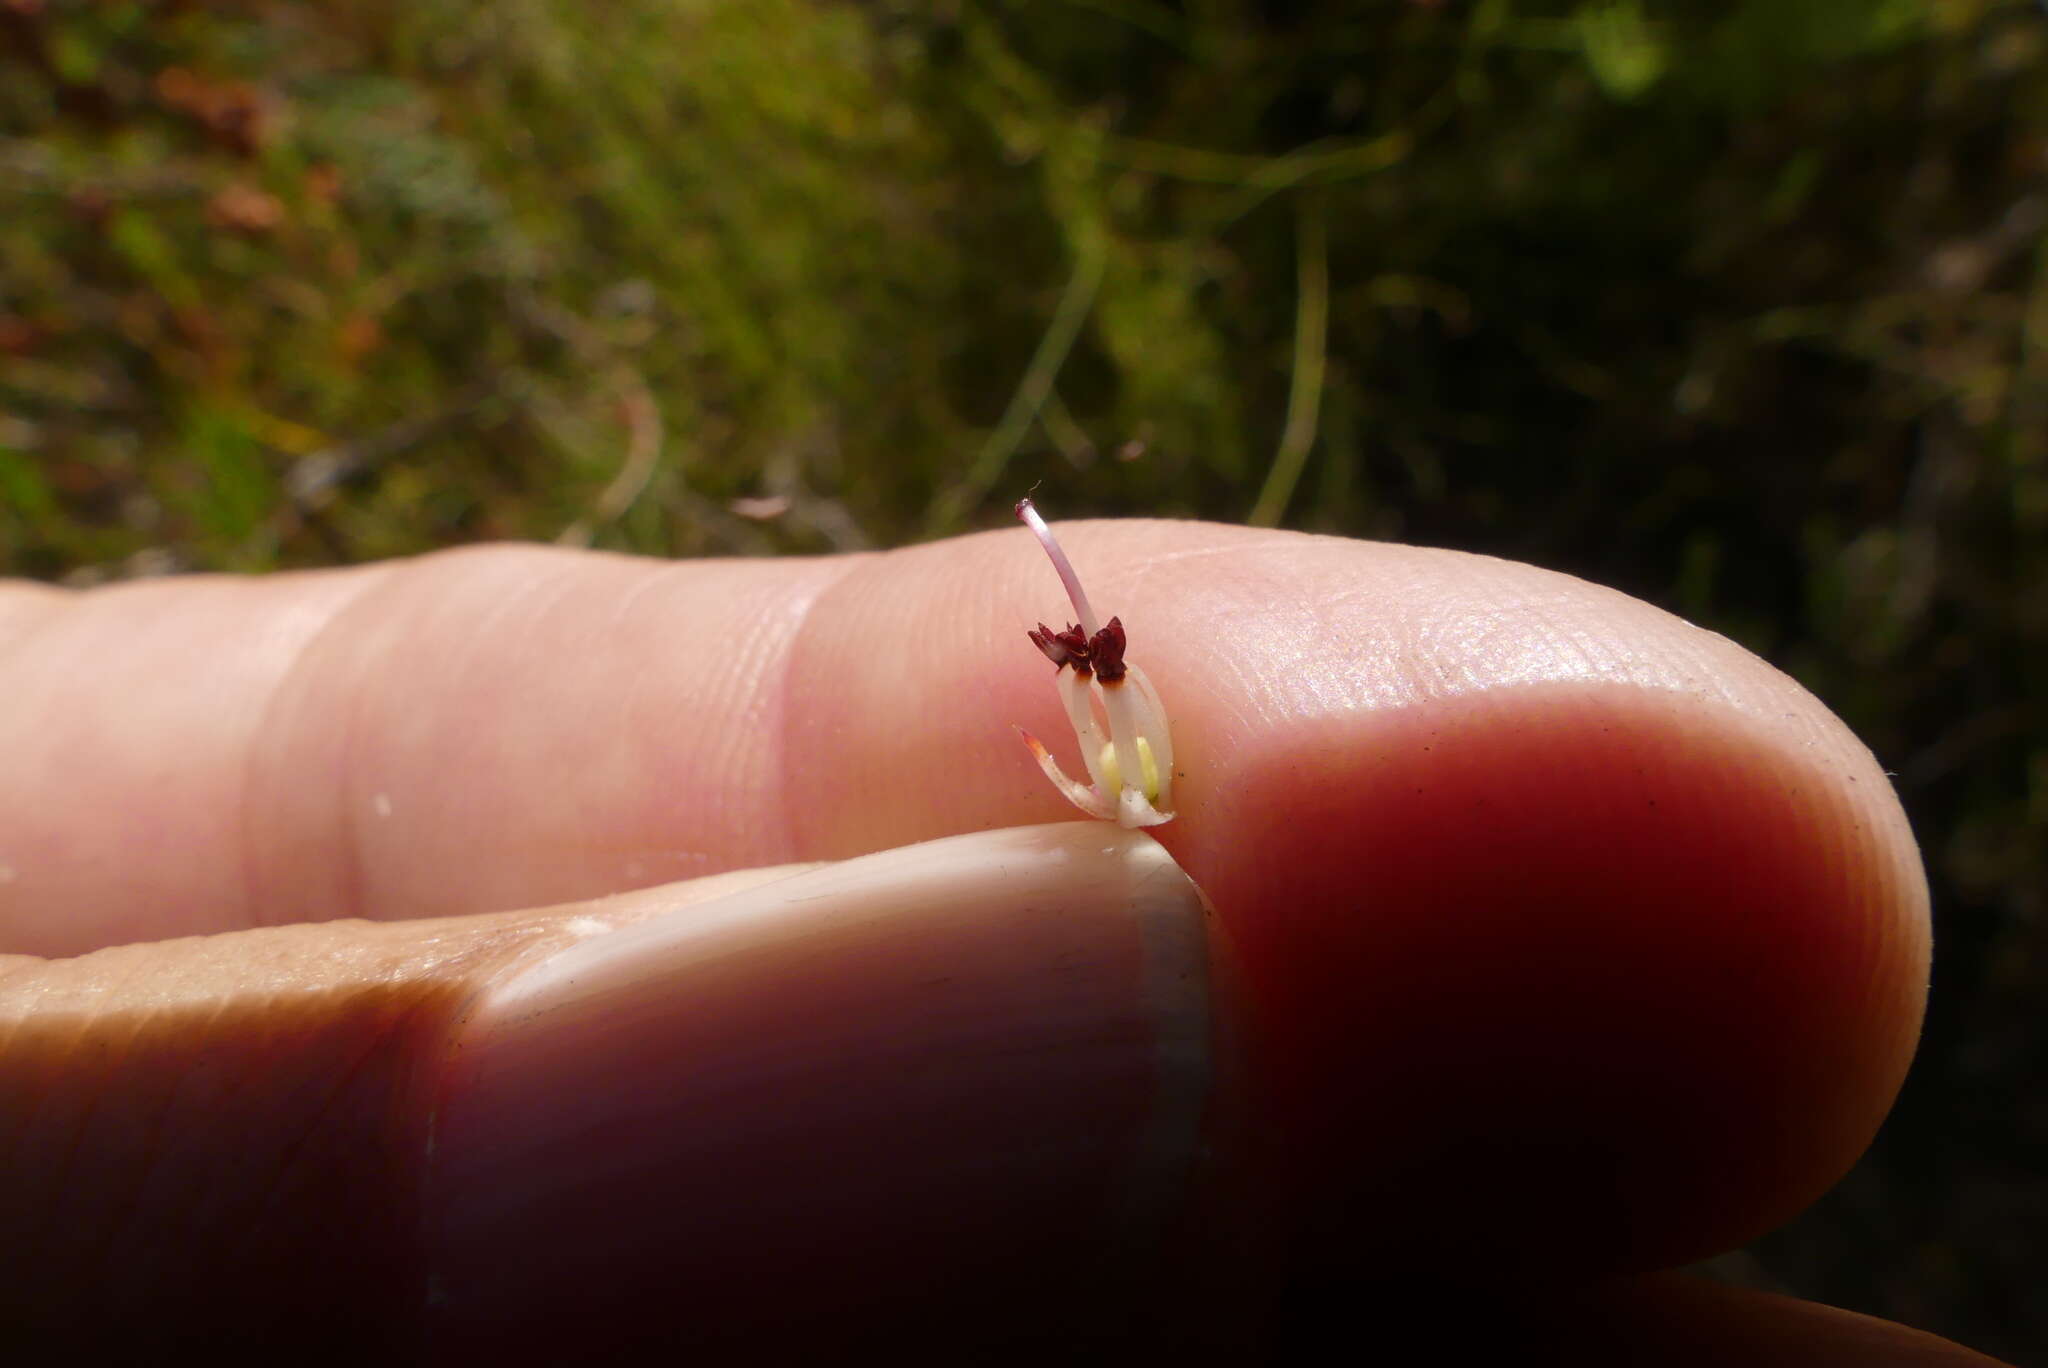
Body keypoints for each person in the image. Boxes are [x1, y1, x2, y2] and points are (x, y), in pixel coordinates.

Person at [0, 520, 2003, 1363]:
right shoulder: (1109, 781)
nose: (1081, 649)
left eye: (1087, 654)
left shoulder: (1130, 770)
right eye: (1081, 658)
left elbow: (1125, 793)